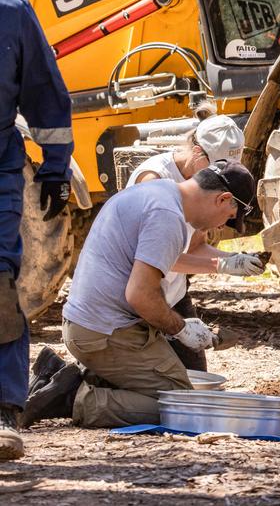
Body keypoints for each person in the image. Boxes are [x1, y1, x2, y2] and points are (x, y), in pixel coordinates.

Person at [21, 161, 258, 428]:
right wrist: (180, 328)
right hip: (104, 334)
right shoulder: (167, 216)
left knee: (175, 386)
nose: (222, 225)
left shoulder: (158, 192)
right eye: (229, 217)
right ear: (223, 198)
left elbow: (155, 267)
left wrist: (222, 264)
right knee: (181, 404)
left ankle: (58, 373)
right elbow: (141, 295)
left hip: (88, 325)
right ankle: (72, 397)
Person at [0, 0, 74, 461]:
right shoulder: (12, 8)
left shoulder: (11, 9)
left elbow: (46, 95)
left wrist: (53, 169)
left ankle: (3, 410)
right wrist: (53, 170)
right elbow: (46, 93)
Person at [124, 112, 262, 372]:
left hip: (173, 293)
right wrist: (220, 266)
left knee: (196, 373)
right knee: (148, 380)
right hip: (143, 295)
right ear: (198, 153)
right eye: (217, 168)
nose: (221, 178)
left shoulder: (205, 188)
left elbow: (195, 246)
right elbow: (156, 257)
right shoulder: (154, 178)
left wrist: (232, 260)